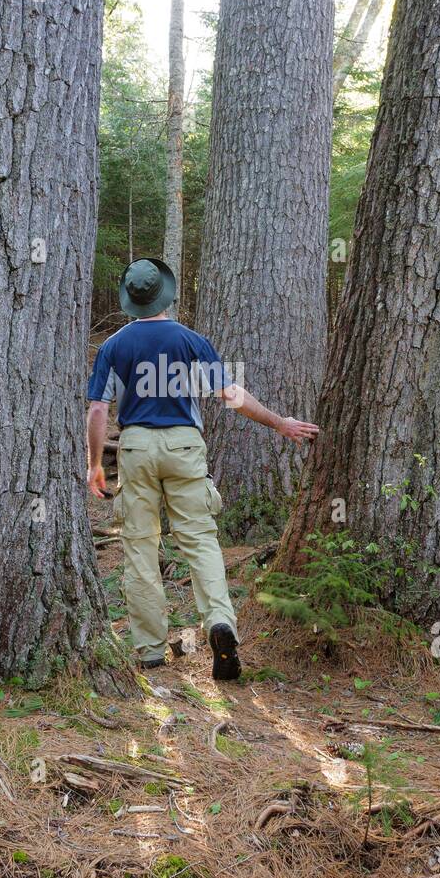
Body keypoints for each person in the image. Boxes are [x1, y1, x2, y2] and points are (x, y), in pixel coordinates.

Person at [86, 258, 318, 680]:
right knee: (201, 542)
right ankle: (218, 623)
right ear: (166, 296)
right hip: (185, 446)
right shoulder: (192, 341)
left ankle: (151, 651)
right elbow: (231, 394)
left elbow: (99, 408)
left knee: (139, 547)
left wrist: (95, 464)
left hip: (136, 448)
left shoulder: (113, 346)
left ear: (130, 300)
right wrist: (279, 422)